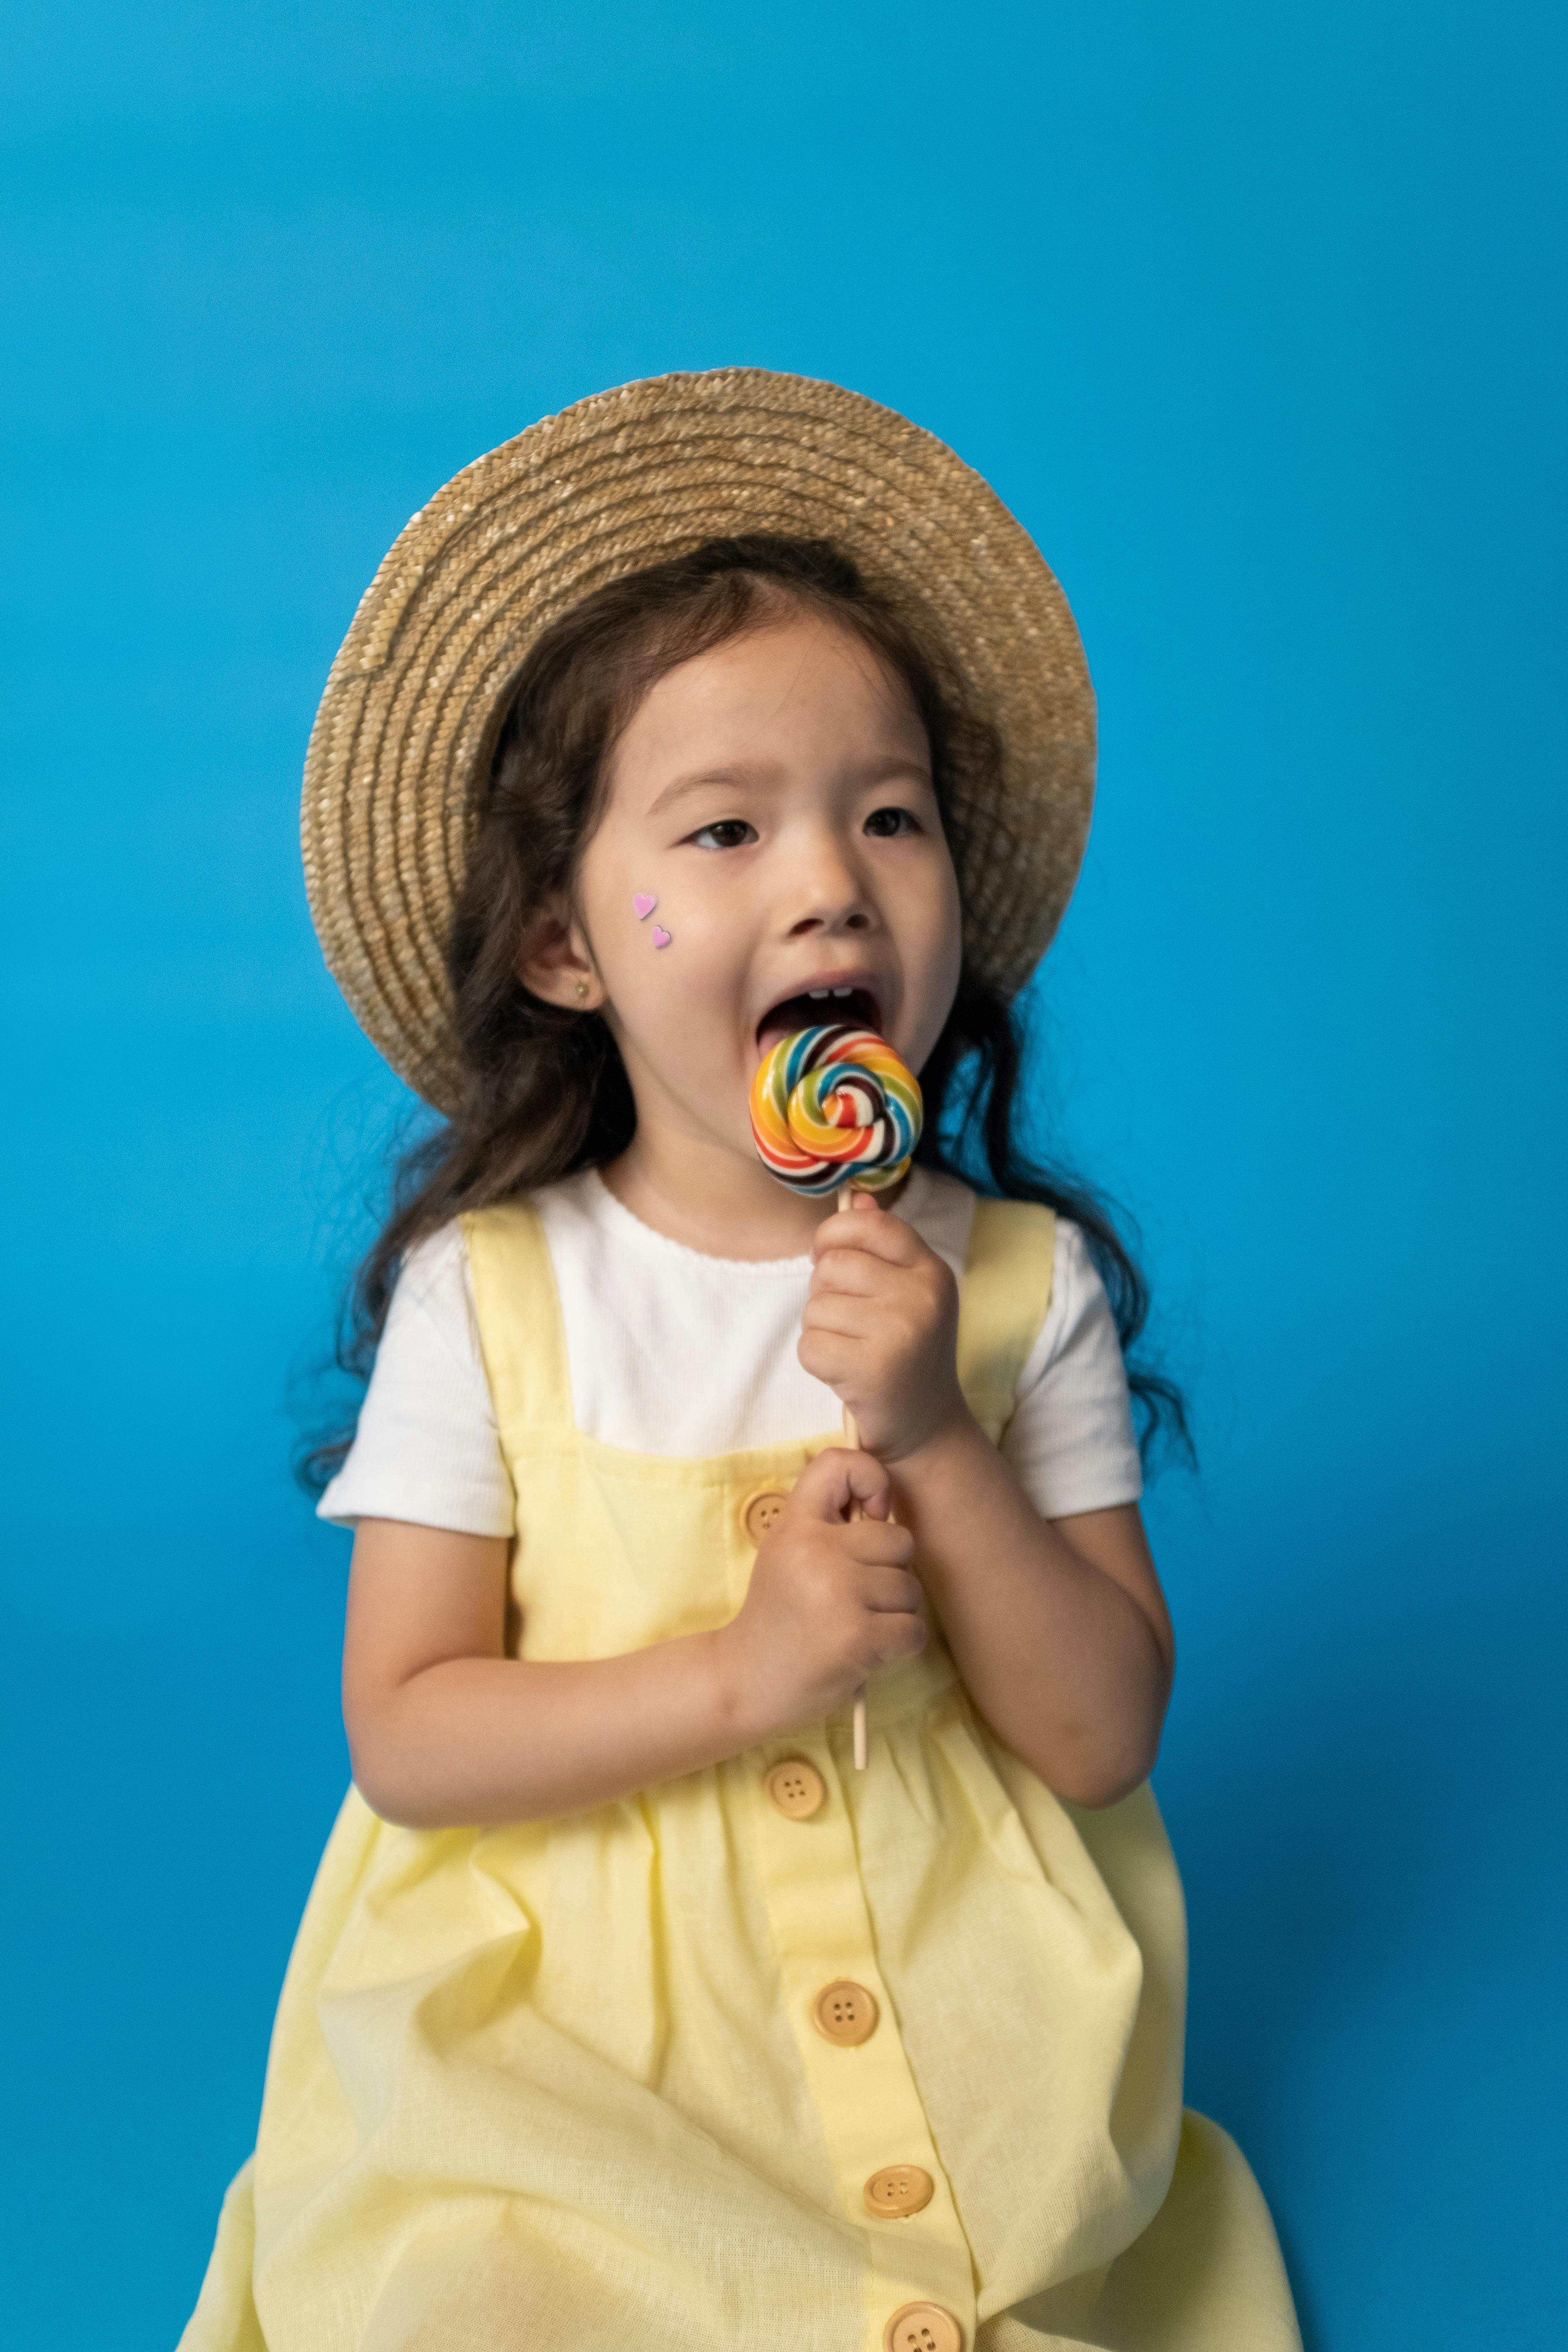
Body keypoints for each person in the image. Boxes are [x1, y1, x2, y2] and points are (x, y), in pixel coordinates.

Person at [180, 370, 1301, 2352]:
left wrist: (938, 1435)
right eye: (721, 829)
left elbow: (1102, 1731)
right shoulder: (497, 1295)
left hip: (952, 1983)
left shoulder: (1015, 1284)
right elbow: (411, 1736)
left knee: (1000, 2248)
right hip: (575, 2026)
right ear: (562, 947)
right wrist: (748, 1673)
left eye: (889, 815)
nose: (827, 882)